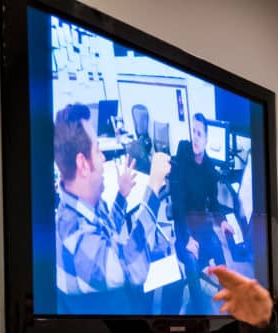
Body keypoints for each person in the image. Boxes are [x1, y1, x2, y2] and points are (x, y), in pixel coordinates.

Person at [54, 103, 171, 314]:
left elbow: (106, 233)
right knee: (170, 275)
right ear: (82, 164)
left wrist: (122, 195)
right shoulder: (72, 233)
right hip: (115, 311)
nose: (103, 158)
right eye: (97, 150)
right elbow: (131, 268)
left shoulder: (84, 205)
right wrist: (153, 190)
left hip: (117, 294)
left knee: (166, 264)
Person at [170, 113, 228, 313]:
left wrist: (222, 221)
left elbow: (213, 202)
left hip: (201, 225)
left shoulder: (210, 168)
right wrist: (185, 238)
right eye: (193, 132)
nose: (195, 137)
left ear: (206, 139)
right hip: (183, 225)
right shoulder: (183, 152)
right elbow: (176, 200)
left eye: (200, 133)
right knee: (192, 263)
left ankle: (228, 300)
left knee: (220, 252)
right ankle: (198, 312)